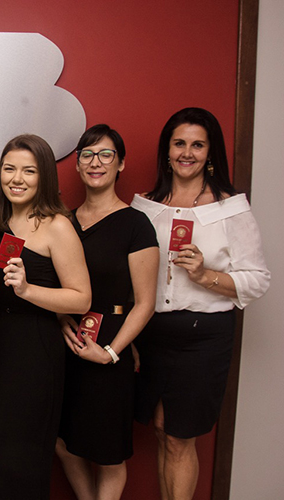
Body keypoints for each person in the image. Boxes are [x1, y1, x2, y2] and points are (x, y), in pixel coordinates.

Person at [131, 108, 270, 500]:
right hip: (152, 333)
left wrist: (206, 275)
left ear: (211, 153)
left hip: (202, 338)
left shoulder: (230, 208)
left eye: (197, 145)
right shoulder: (145, 206)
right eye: (179, 143)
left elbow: (258, 279)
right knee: (161, 430)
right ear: (167, 150)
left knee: (180, 437)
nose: (187, 153)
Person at [0, 134, 91, 499]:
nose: (17, 179)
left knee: (19, 458)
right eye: (9, 169)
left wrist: (28, 290)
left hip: (34, 353)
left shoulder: (57, 225)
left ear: (44, 177)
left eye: (28, 171)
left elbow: (81, 299)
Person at [55, 125, 159, 500]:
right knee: (63, 443)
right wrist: (62, 319)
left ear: (121, 164)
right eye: (87, 154)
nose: (95, 162)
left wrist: (112, 352)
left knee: (109, 455)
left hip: (110, 345)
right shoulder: (63, 222)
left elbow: (145, 302)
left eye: (105, 154)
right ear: (78, 165)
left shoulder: (135, 224)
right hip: (68, 345)